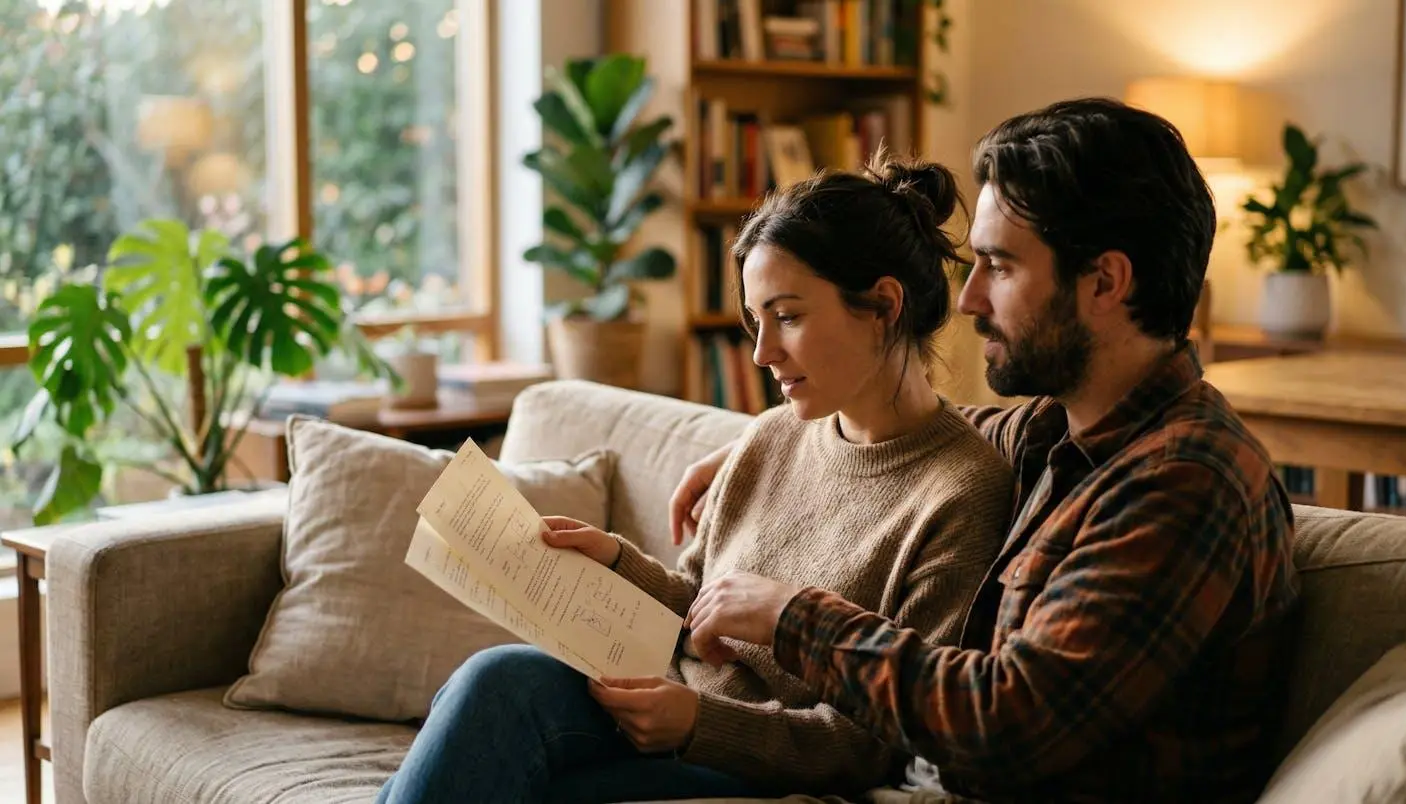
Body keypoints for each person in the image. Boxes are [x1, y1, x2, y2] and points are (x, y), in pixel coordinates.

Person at [674, 97, 1301, 804]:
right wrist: (764, 447)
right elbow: (914, 428)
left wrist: (792, 617)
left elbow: (1005, 723)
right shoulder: (1058, 436)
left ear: (1105, 282)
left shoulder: (1184, 485)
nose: (968, 299)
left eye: (999, 266)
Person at [375, 153, 1017, 804]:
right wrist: (614, 560)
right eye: (755, 321)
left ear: (883, 305)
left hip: (751, 760)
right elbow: (697, 604)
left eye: (788, 316)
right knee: (496, 683)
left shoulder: (960, 492)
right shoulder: (771, 435)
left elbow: (878, 739)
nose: (763, 353)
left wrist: (699, 723)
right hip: (665, 703)